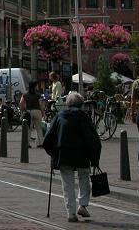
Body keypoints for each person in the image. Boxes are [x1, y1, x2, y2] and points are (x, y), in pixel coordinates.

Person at [42, 91, 101, 223]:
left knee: (67, 183)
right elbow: (93, 140)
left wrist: (53, 154)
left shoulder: (59, 116)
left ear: (67, 105)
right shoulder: (84, 117)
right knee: (84, 176)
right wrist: (95, 159)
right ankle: (83, 204)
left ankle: (71, 213)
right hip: (81, 154)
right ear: (81, 105)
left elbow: (48, 139)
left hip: (64, 154)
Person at [20, 81, 45, 147]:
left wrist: (24, 110)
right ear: (35, 86)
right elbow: (41, 105)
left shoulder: (25, 95)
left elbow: (21, 103)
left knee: (29, 129)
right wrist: (43, 113)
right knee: (39, 128)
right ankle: (40, 143)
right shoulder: (38, 95)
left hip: (28, 112)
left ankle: (27, 144)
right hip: (37, 111)